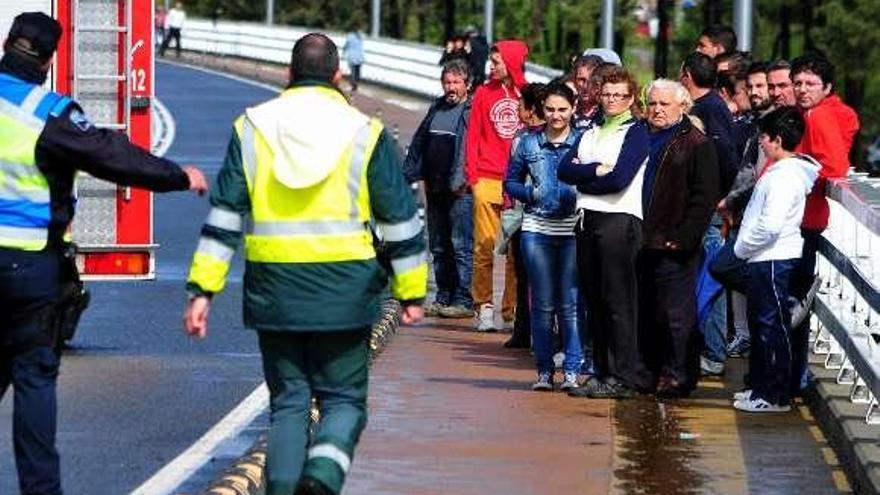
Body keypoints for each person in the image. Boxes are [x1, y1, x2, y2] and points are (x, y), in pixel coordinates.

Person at [183, 33, 425, 495]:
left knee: (289, 403)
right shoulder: (364, 132)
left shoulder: (251, 127)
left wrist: (202, 291)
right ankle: (322, 476)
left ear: (289, 74)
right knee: (344, 401)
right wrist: (411, 291)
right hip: (347, 292)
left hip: (275, 291)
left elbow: (225, 216)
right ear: (338, 76)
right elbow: (399, 219)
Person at [0, 12, 207, 495]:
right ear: (50, 61)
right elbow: (113, 156)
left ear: (6, 43)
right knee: (33, 378)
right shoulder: (47, 111)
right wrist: (177, 176)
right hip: (28, 267)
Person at [559, 66, 653, 398]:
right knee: (594, 300)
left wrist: (586, 177)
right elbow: (563, 169)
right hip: (587, 220)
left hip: (619, 221)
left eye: (619, 95)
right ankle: (601, 371)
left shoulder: (637, 132)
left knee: (619, 301)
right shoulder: (589, 130)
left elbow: (619, 179)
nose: (611, 100)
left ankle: (622, 375)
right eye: (607, 94)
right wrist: (596, 170)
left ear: (631, 98)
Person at [732, 107, 820, 413]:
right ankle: (761, 387)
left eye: (764, 139)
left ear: (778, 140)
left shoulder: (784, 178)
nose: (761, 144)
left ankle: (775, 394)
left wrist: (742, 248)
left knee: (772, 326)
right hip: (765, 257)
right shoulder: (781, 172)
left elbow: (770, 225)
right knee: (763, 323)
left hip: (772, 257)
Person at [639, 79, 719, 397]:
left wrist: (684, 237)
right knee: (648, 311)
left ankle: (678, 374)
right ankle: (651, 370)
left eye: (664, 104)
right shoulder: (641, 136)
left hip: (673, 242)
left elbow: (704, 197)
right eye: (652, 104)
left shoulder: (697, 143)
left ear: (682, 107)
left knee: (676, 314)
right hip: (643, 240)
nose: (657, 110)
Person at [504, 82, 583, 391]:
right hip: (536, 229)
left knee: (570, 303)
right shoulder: (528, 144)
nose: (556, 115)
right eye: (550, 109)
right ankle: (544, 371)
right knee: (543, 303)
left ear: (573, 109)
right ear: (541, 111)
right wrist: (530, 193)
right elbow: (509, 182)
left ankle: (573, 370)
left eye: (562, 109)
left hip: (572, 231)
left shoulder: (583, 142)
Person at [789, 52, 859, 395]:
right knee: (797, 300)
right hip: (809, 220)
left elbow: (834, 168)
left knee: (794, 301)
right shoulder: (828, 112)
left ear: (826, 87)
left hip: (806, 219)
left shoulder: (818, 116)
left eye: (810, 83)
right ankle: (792, 374)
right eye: (797, 82)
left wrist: (799, 175)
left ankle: (791, 376)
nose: (801, 89)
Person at [464, 39, 529, 332]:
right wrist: (472, 176)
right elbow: (474, 135)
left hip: (517, 182)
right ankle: (484, 306)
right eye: (492, 61)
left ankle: (511, 308)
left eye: (498, 62)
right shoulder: (482, 93)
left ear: (512, 62)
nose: (492, 67)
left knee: (517, 251)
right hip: (487, 178)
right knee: (484, 246)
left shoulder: (528, 94)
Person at [403, 59, 474, 319]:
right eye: (447, 82)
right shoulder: (437, 107)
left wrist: (465, 180)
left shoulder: (471, 111)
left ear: (468, 84)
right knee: (439, 245)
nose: (451, 87)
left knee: (460, 245)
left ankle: (463, 299)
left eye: (456, 82)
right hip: (434, 188)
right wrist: (409, 173)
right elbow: (421, 142)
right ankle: (443, 296)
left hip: (460, 190)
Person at [680, 51, 735, 377]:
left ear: (686, 75)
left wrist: (719, 196)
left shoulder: (710, 109)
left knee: (711, 280)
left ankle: (713, 353)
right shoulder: (712, 106)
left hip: (706, 213)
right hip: (700, 210)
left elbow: (726, 157)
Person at [500, 82, 546, 349]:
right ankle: (522, 328)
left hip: (536, 213)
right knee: (521, 273)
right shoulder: (521, 136)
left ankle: (538, 330)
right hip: (519, 213)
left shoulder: (535, 139)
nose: (516, 107)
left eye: (520, 103)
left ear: (530, 109)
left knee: (536, 276)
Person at [343, 27, 365, 92]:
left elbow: (346, 45)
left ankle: (353, 85)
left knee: (353, 72)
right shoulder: (361, 36)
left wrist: (343, 52)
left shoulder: (350, 36)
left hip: (353, 57)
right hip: (359, 57)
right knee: (357, 72)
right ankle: (356, 85)